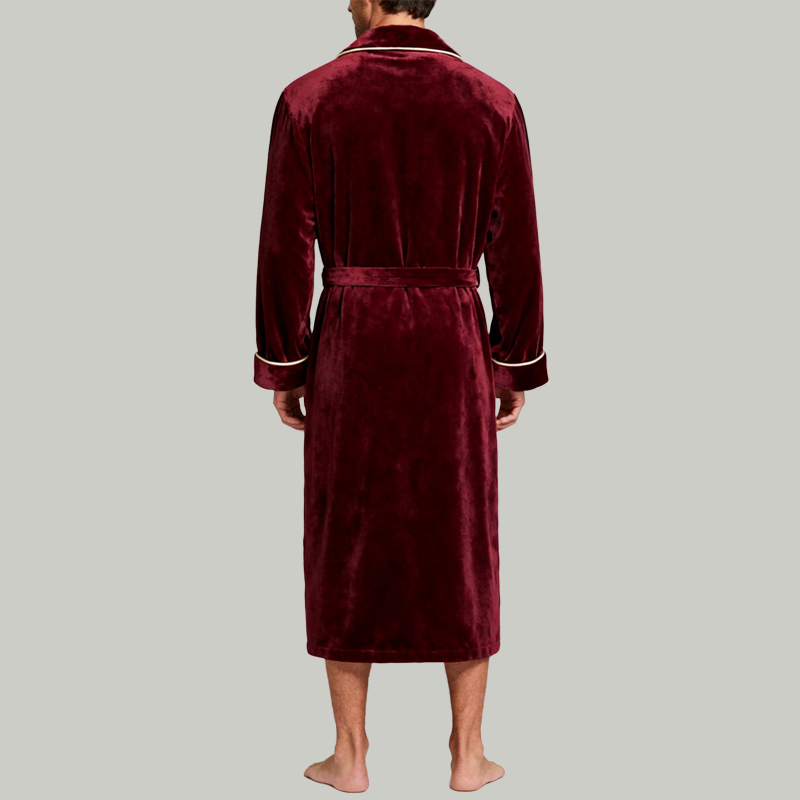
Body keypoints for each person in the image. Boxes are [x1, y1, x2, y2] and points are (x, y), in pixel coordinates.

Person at [253, 0, 549, 792]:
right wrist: (512, 362)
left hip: (353, 341)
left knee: (344, 534)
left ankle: (349, 755)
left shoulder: (308, 99)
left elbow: (285, 245)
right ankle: (468, 754)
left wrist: (286, 362)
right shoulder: (493, 102)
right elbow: (516, 248)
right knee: (462, 532)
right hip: (453, 342)